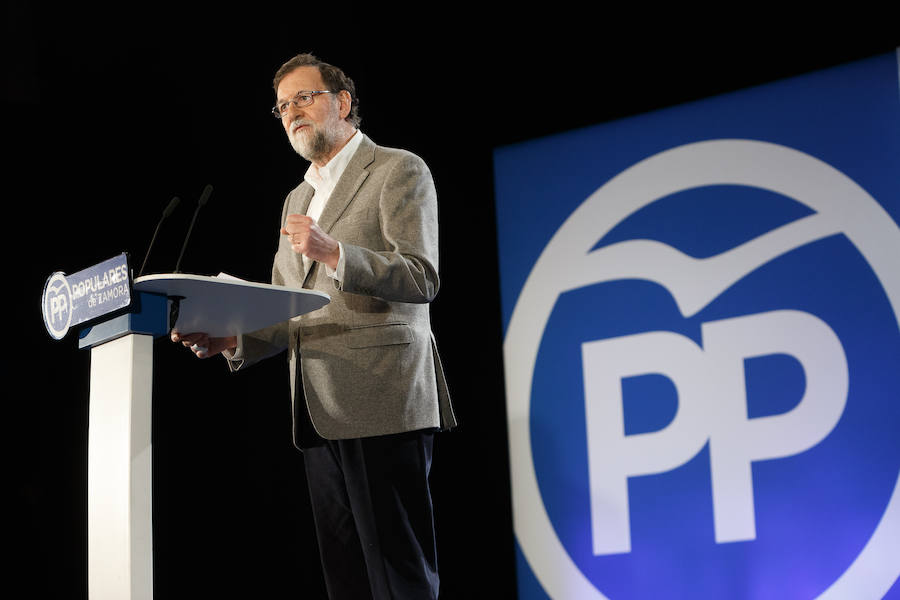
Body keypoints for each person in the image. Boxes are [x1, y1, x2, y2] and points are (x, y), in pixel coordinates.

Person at [171, 53, 456, 599]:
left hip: (382, 395)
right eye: (282, 106)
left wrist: (334, 252)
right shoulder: (296, 198)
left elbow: (421, 277)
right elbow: (290, 307)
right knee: (345, 580)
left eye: (304, 98)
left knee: (399, 577)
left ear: (344, 102)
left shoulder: (398, 169)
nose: (292, 113)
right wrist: (232, 338)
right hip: (317, 408)